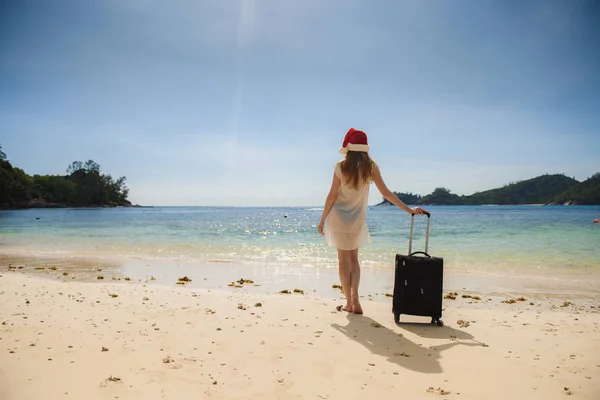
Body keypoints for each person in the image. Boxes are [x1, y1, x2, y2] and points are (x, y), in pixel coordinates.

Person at [318, 128, 428, 315]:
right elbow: (386, 193)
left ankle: (348, 302)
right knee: (354, 259)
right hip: (357, 219)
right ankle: (356, 299)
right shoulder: (371, 167)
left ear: (349, 148)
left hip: (338, 218)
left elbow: (332, 195)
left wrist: (322, 220)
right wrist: (408, 209)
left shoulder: (340, 166)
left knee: (343, 261)